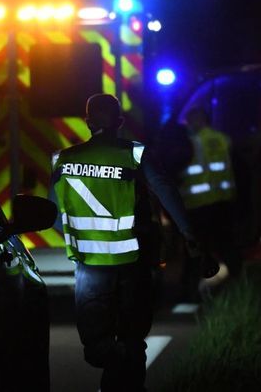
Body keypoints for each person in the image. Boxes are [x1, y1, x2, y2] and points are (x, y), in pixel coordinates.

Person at [51, 93, 218, 392]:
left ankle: (118, 370)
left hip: (90, 268)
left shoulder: (65, 159)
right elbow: (166, 192)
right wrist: (191, 238)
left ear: (88, 123)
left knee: (96, 347)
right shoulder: (135, 155)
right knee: (132, 338)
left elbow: (53, 214)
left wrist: (82, 237)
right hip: (133, 265)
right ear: (120, 122)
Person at [178, 106, 239, 301]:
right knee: (226, 245)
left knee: (196, 249)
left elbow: (182, 170)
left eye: (190, 120)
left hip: (198, 204)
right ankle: (238, 284)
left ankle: (190, 291)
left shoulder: (191, 142)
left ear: (198, 120)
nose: (188, 125)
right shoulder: (223, 139)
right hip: (223, 201)